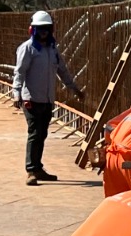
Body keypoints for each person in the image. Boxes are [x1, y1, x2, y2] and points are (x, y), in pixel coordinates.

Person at [12, 10, 82, 186]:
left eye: (46, 29)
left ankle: (38, 168)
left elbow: (62, 71)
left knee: (42, 134)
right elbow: (19, 72)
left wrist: (74, 88)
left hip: (47, 99)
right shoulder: (27, 48)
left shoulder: (52, 50)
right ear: (33, 30)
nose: (44, 32)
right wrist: (16, 93)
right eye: (40, 29)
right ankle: (31, 170)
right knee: (35, 134)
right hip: (31, 99)